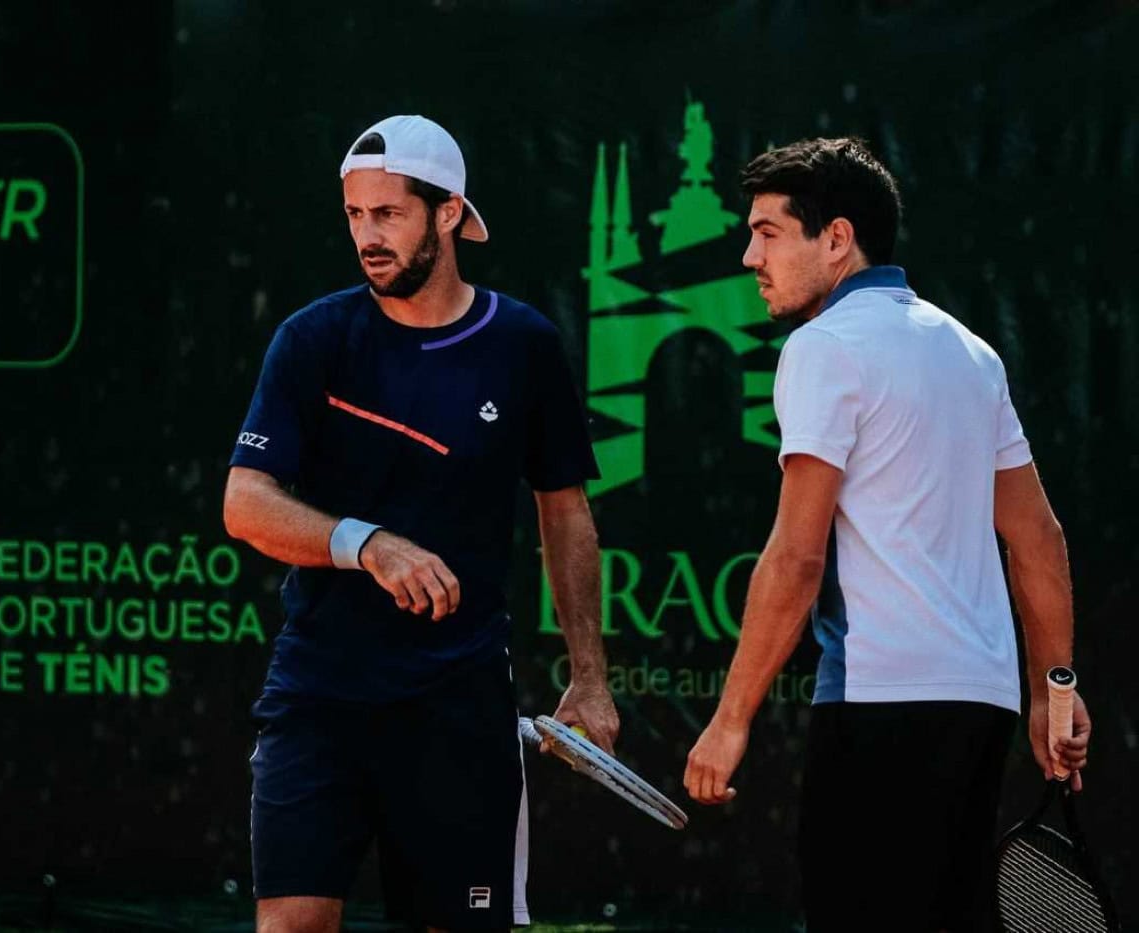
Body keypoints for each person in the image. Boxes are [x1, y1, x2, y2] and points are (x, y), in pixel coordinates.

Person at [681, 137, 1092, 931]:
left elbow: (796, 556)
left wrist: (730, 720)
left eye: (768, 232)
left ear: (836, 239)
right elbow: (1039, 537)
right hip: (980, 706)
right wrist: (1055, 689)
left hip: (880, 706)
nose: (747, 256)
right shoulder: (971, 352)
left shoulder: (822, 347)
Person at [223, 114, 617, 933]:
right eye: (356, 215)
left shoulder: (523, 345)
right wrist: (363, 542)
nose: (367, 235)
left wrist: (590, 672)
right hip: (319, 695)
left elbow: (566, 512)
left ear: (448, 213)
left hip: (456, 704)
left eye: (389, 215)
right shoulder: (313, 339)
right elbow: (245, 501)